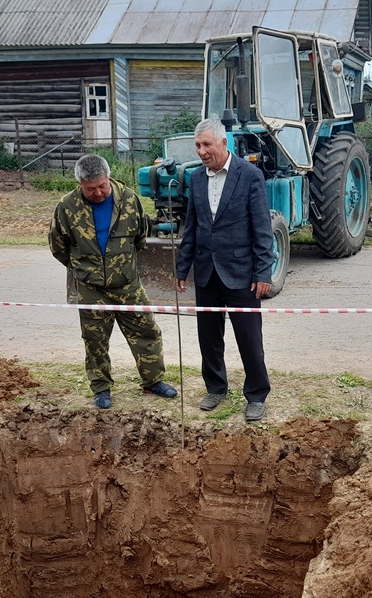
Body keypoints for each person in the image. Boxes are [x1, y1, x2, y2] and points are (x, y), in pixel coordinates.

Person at [48, 154, 177, 408]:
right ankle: (102, 388)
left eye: (102, 186)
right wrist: (83, 269)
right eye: (90, 189)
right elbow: (58, 245)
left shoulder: (129, 199)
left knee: (146, 330)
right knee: (95, 340)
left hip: (127, 284)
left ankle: (153, 381)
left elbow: (141, 237)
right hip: (91, 288)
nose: (97, 193)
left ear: (108, 178)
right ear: (80, 185)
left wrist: (121, 266)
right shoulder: (67, 207)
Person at [175, 118, 274, 422]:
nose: (202, 151)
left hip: (241, 273)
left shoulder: (249, 175)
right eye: (197, 146)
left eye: (206, 144)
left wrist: (262, 273)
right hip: (206, 271)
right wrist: (183, 267)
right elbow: (191, 225)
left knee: (249, 339)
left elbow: (262, 227)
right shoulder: (195, 178)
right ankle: (216, 387)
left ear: (223, 143)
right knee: (208, 336)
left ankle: (256, 395)